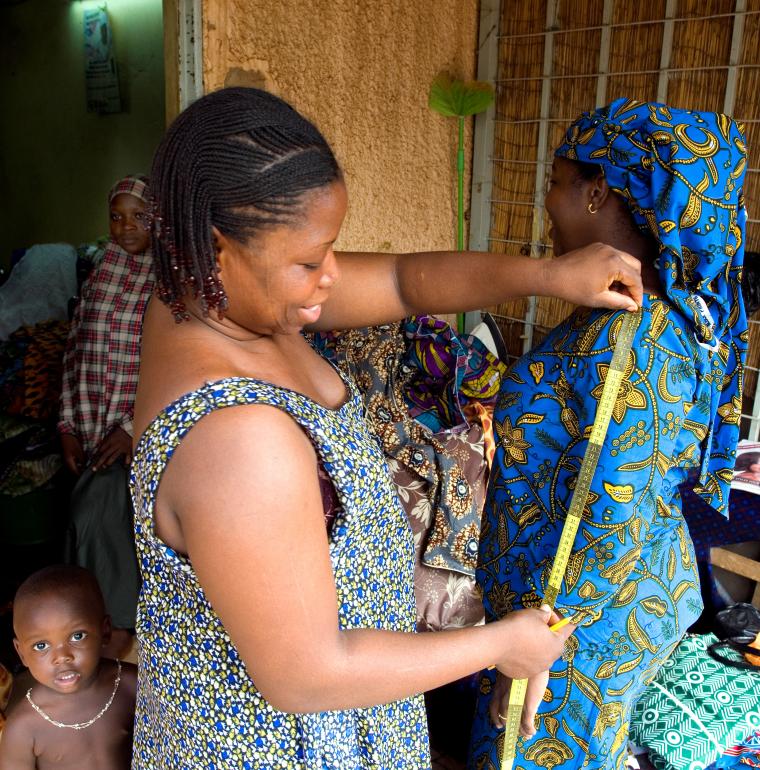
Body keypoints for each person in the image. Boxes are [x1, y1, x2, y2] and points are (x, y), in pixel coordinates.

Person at [130, 86, 642, 769]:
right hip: (293, 746)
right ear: (217, 249)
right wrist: (501, 644)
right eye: (311, 261)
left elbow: (405, 281)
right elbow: (305, 673)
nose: (330, 278)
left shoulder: (204, 300)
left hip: (344, 710)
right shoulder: (237, 439)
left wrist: (549, 276)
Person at [469, 98, 747, 769]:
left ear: (597, 192)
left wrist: (535, 655)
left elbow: (605, 512)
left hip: (570, 637)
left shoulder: (627, 343)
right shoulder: (669, 317)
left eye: (558, 183)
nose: (548, 202)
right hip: (627, 602)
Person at [58, 175, 152, 660]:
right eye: (116, 216)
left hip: (136, 436)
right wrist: (67, 428)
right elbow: (76, 354)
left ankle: (115, 642)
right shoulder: (101, 272)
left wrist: (132, 428)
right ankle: (87, 634)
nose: (125, 226)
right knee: (91, 526)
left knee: (102, 518)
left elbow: (171, 365)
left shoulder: (167, 283)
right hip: (91, 432)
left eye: (138, 215)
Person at [0, 565, 137, 770]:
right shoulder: (23, 728)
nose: (62, 657)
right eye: (41, 646)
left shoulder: (130, 684)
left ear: (105, 631)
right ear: (21, 653)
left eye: (77, 636)